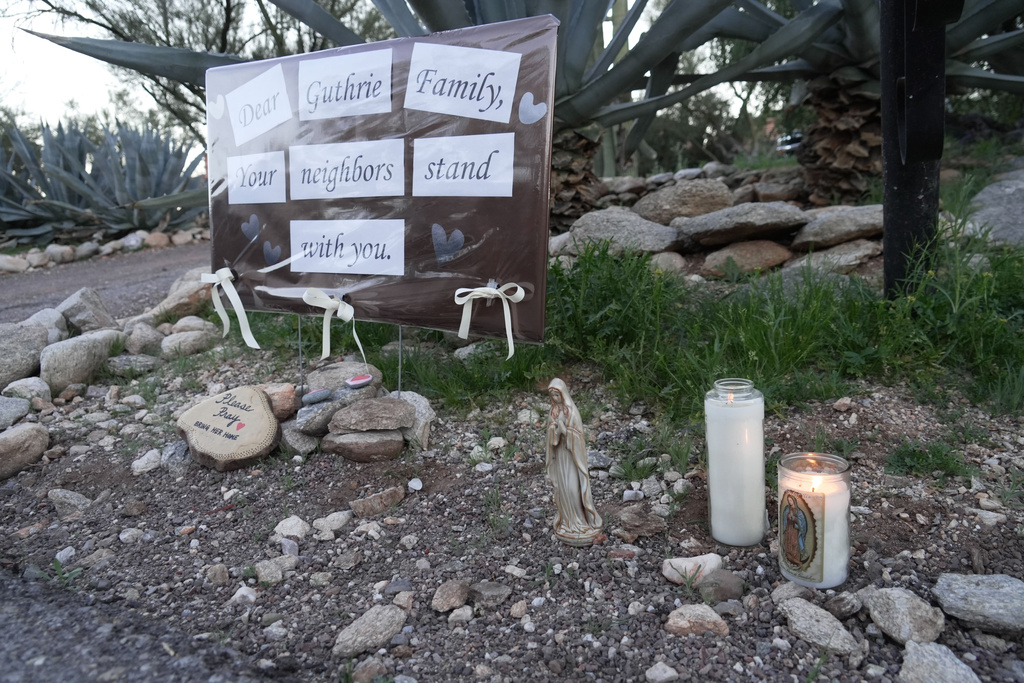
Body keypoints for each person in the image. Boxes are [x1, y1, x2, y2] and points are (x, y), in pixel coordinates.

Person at [546, 378, 602, 546]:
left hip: (572, 458)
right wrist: (554, 432)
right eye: (552, 395)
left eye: (557, 394)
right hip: (560, 455)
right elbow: (549, 436)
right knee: (563, 491)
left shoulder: (571, 411)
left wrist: (565, 431)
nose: (555, 398)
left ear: (563, 394)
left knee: (572, 489)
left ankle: (581, 523)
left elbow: (578, 437)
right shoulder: (554, 412)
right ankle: (568, 523)